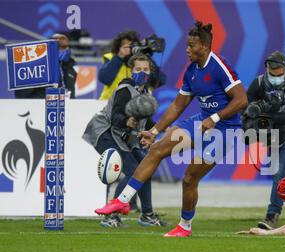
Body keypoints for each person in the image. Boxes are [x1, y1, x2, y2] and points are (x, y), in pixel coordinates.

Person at [94, 21, 248, 237]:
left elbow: (242, 100)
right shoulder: (192, 71)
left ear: (204, 46)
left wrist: (215, 117)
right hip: (201, 122)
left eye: (191, 46)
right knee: (156, 149)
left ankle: (184, 226)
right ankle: (122, 201)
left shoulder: (220, 66)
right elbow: (177, 105)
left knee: (189, 179)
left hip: (225, 131)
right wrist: (155, 131)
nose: (187, 49)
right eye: (186, 45)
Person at [83, 54, 166, 228]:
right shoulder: (125, 89)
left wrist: (159, 129)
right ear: (131, 70)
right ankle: (110, 216)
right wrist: (126, 122)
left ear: (150, 72)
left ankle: (147, 215)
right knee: (133, 171)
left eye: (145, 69)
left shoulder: (146, 92)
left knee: (146, 168)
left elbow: (147, 122)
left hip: (123, 137)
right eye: (138, 69)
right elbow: (115, 117)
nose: (142, 73)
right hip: (104, 133)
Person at [243, 51, 285, 230]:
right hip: (274, 136)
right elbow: (246, 108)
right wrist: (250, 125)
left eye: (279, 73)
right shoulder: (259, 83)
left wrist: (266, 115)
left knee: (278, 171)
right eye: (272, 73)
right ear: (267, 69)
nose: (275, 76)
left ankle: (272, 215)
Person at [98, 30, 166, 100]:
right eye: (125, 45)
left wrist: (146, 56)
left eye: (131, 45)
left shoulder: (140, 61)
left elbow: (160, 80)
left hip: (135, 104)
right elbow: (104, 78)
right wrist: (119, 57)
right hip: (109, 102)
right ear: (119, 46)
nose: (128, 48)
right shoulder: (111, 57)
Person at [14, 33, 77, 99]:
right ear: (51, 47)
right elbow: (22, 96)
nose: (67, 49)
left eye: (68, 46)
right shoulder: (36, 67)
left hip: (65, 106)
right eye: (63, 47)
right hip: (40, 106)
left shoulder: (70, 67)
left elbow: (71, 92)